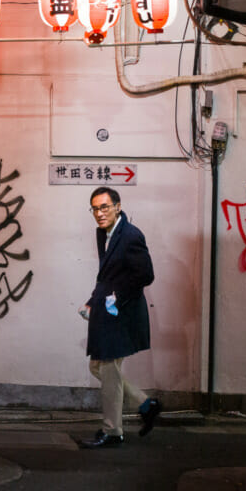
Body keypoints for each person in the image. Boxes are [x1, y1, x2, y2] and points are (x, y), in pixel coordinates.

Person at [78, 187, 161, 448]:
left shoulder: (131, 236)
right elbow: (107, 276)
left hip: (121, 313)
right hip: (108, 310)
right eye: (95, 208)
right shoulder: (104, 233)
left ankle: (112, 431)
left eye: (104, 207)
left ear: (118, 206)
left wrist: (117, 297)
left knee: (109, 369)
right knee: (98, 367)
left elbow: (146, 275)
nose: (100, 213)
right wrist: (94, 301)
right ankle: (146, 405)